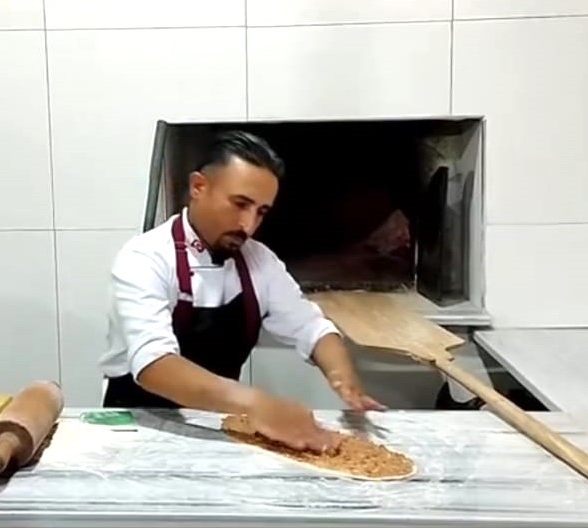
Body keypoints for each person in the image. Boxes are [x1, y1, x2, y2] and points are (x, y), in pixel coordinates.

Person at [98, 130, 385, 453]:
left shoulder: (259, 262)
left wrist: (342, 377)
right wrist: (259, 405)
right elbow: (155, 365)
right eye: (240, 204)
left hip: (216, 428)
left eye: (261, 211)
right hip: (137, 428)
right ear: (198, 187)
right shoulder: (145, 258)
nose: (248, 224)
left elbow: (311, 327)